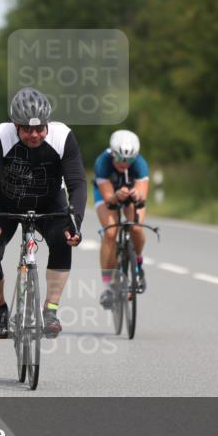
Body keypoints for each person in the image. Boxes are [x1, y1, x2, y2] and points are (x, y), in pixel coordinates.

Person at [0, 87, 86, 339]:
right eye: (27, 129)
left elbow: (77, 183)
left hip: (49, 202)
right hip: (6, 203)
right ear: (15, 125)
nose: (35, 134)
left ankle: (51, 310)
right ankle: (0, 310)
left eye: (40, 128)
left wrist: (76, 222)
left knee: (64, 238)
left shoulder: (63, 136)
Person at [94, 129, 149, 309]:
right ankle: (109, 284)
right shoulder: (102, 162)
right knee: (110, 232)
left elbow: (142, 195)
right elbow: (108, 198)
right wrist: (116, 196)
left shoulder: (140, 164)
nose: (124, 164)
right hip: (108, 195)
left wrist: (137, 195)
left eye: (129, 160)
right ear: (112, 154)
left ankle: (137, 264)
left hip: (130, 195)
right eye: (119, 158)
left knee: (136, 227)